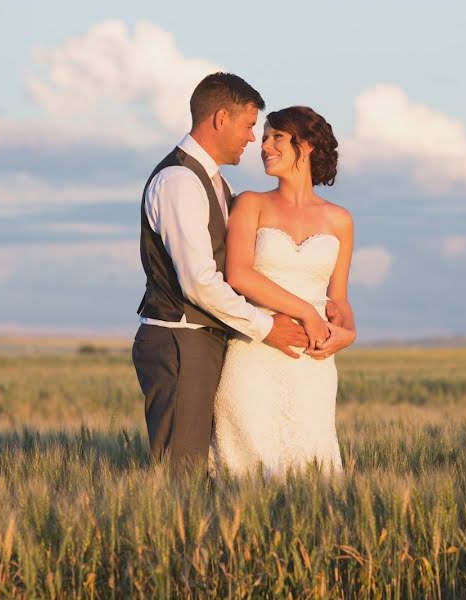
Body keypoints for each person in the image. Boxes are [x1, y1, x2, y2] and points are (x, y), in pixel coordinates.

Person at [131, 74, 337, 472]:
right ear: (221, 118)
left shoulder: (216, 184)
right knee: (181, 471)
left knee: (208, 467)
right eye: (248, 126)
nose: (252, 139)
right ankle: (172, 535)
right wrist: (265, 327)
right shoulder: (179, 181)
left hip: (204, 341)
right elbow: (199, 281)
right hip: (180, 340)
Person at [210, 106, 356, 477]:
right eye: (263, 137)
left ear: (305, 145)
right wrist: (307, 312)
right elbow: (238, 274)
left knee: (312, 468)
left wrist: (347, 333)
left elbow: (338, 298)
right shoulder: (250, 204)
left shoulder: (340, 220)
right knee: (246, 469)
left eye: (276, 137)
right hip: (255, 351)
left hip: (312, 362)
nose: (264, 146)